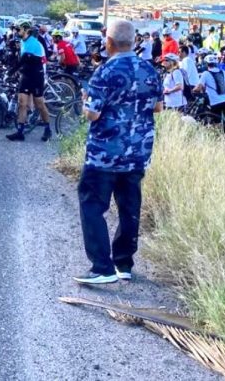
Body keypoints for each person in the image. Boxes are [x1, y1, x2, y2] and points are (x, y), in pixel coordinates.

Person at [74, 18, 163, 285]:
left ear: (108, 42)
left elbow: (93, 114)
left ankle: (102, 267)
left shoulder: (105, 72)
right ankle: (123, 263)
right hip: (137, 152)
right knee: (129, 207)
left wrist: (83, 103)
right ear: (135, 41)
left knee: (92, 205)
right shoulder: (150, 70)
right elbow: (158, 108)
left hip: (105, 153)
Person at [5, 20, 53, 142]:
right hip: (26, 75)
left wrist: (10, 72)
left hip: (37, 76)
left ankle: (47, 129)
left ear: (26, 31)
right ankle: (20, 132)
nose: (16, 31)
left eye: (19, 29)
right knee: (22, 103)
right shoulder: (23, 41)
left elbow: (24, 59)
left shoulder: (33, 43)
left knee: (39, 104)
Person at [194, 54, 225, 122]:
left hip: (215, 103)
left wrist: (193, 90)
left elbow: (199, 87)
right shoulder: (223, 72)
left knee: (215, 123)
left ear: (206, 64)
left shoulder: (205, 73)